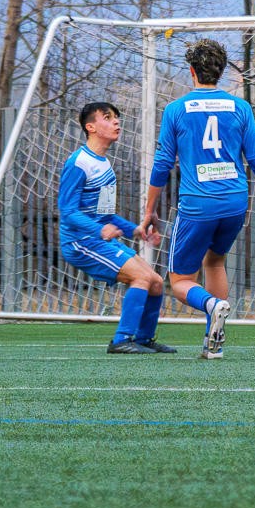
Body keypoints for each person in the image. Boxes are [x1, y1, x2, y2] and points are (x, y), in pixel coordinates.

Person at [137, 41, 255, 360]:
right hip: (235, 202)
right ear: (221, 71)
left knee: (180, 280)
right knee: (215, 262)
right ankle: (213, 341)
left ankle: (212, 305)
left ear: (191, 71)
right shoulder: (240, 107)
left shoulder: (176, 109)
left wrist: (149, 209)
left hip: (198, 204)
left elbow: (162, 164)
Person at [60, 101, 169, 354]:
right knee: (141, 278)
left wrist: (136, 231)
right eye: (108, 117)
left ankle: (143, 339)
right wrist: (99, 230)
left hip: (99, 240)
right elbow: (67, 211)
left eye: (117, 117)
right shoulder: (78, 163)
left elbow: (106, 215)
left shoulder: (105, 165)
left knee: (156, 282)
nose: (117, 121)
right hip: (80, 242)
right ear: (90, 127)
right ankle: (122, 340)